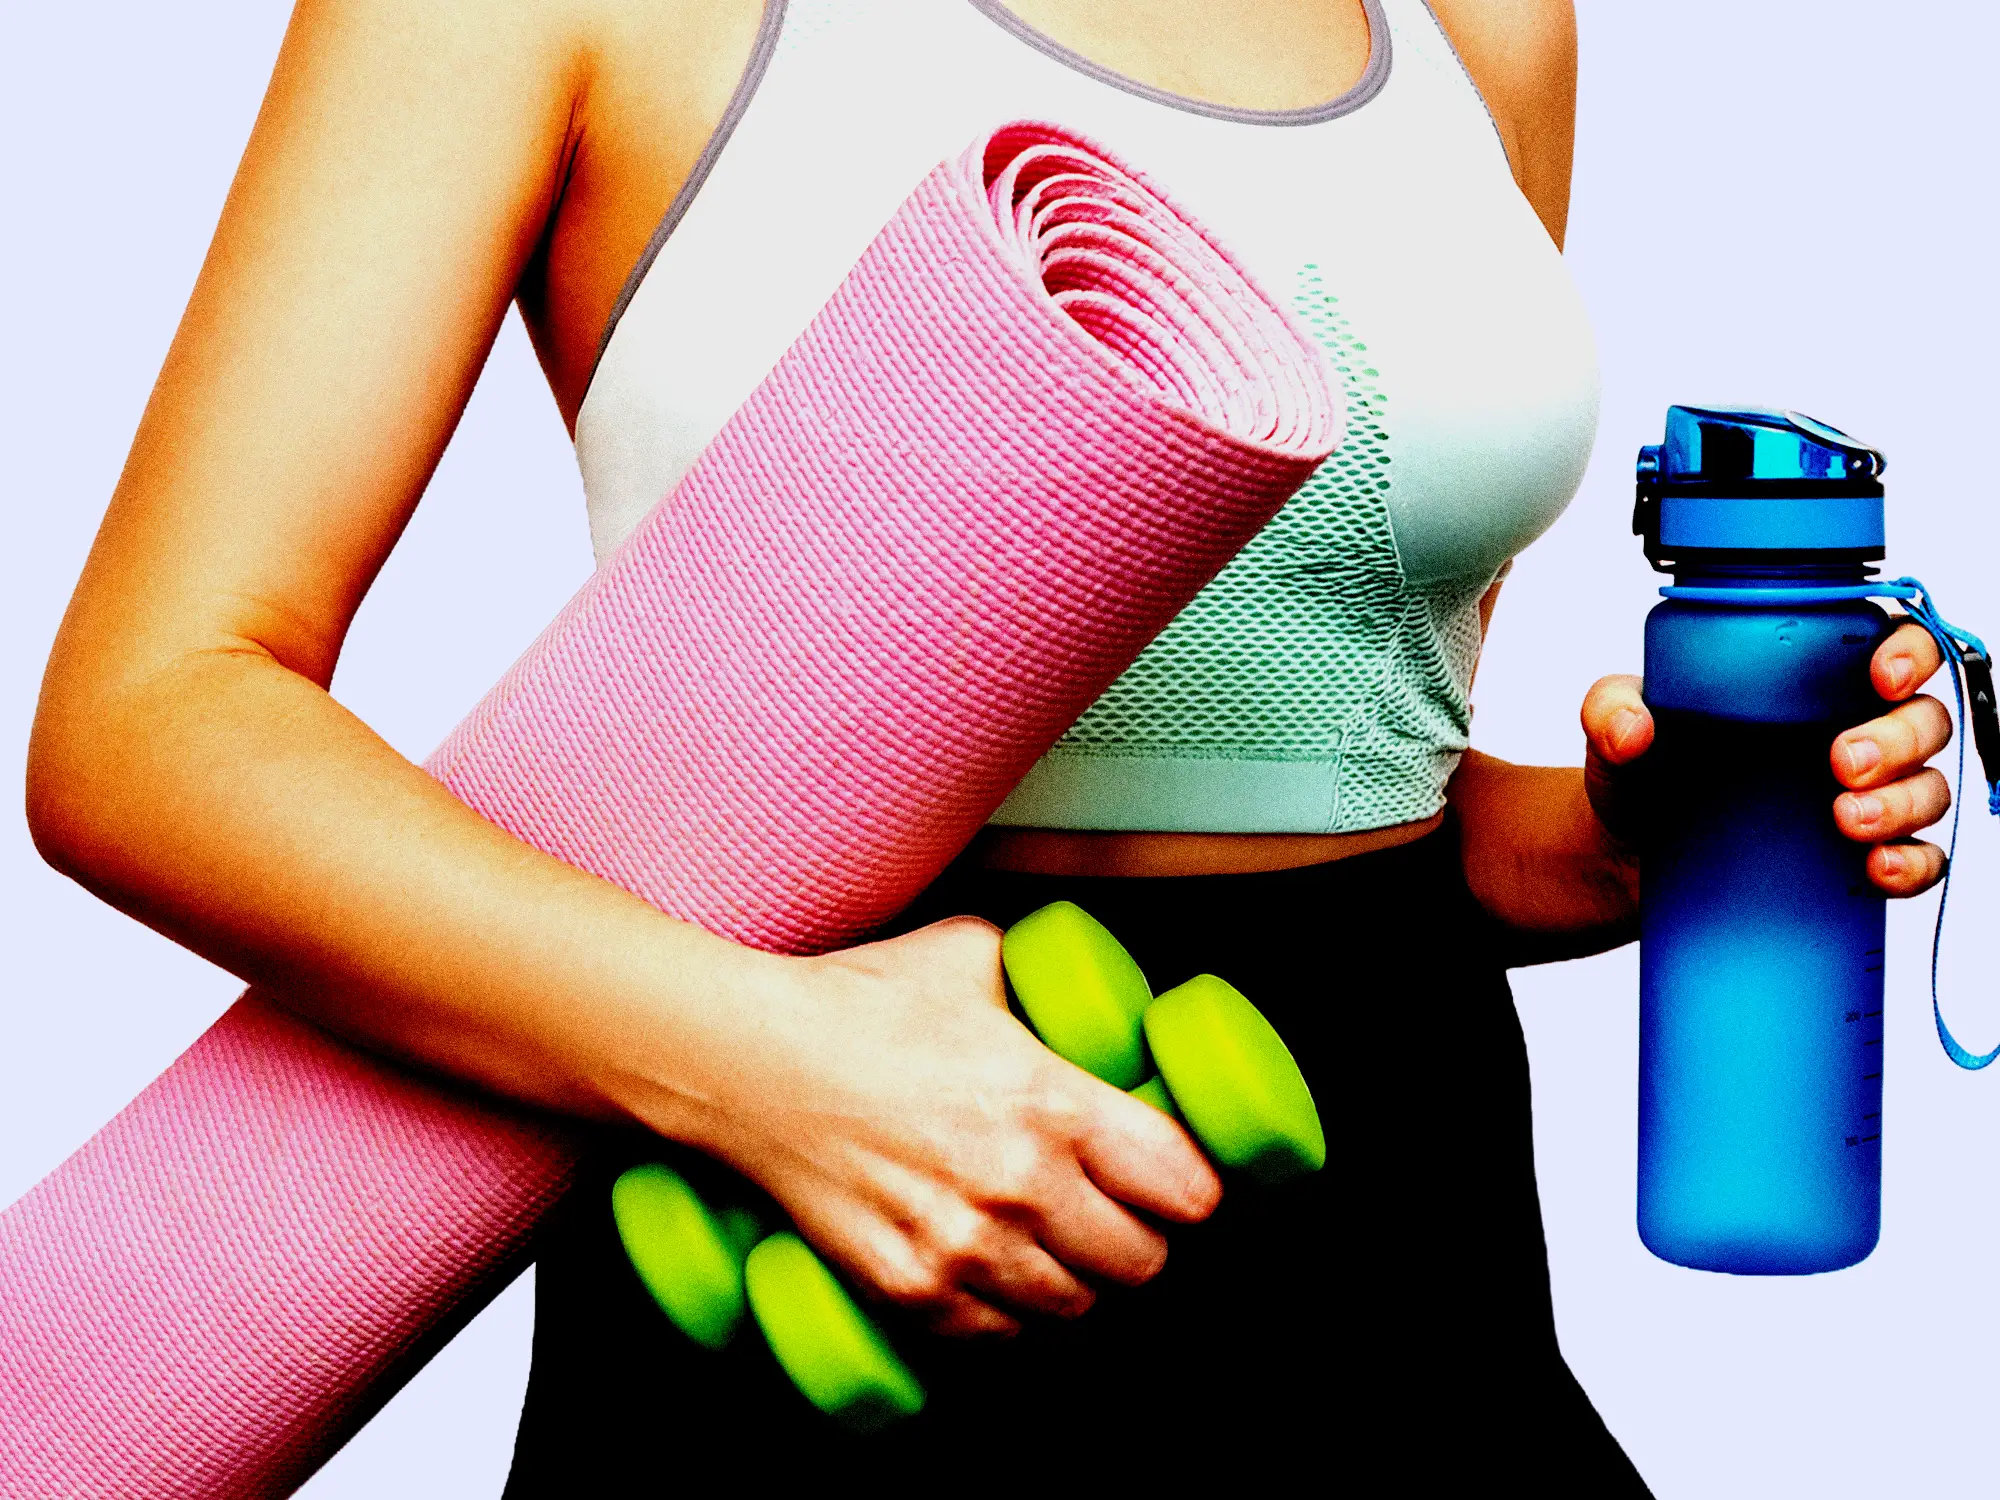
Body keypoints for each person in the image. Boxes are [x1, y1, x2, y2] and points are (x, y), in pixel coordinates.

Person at [23, 0, 1955, 1489]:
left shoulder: (1476, 27)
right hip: (799, 1226)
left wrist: (1631, 837)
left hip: (1394, 1255)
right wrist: (757, 1065)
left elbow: (1375, 771)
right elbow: (149, 720)